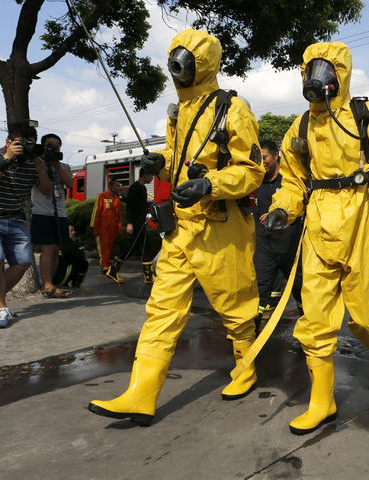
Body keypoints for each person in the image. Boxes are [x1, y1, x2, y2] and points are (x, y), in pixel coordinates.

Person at [88, 29, 265, 426]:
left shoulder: (233, 109)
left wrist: (211, 184)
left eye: (189, 60)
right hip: (181, 228)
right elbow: (178, 157)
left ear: (205, 63)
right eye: (176, 59)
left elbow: (251, 170)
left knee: (235, 305)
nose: (179, 68)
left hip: (221, 227)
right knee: (163, 309)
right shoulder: (179, 112)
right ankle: (141, 394)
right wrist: (162, 164)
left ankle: (246, 367)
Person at [265, 41, 369, 435]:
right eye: (312, 69)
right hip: (318, 223)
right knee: (314, 316)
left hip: (363, 218)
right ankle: (322, 400)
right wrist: (283, 209)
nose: (319, 77)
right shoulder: (300, 127)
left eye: (327, 69)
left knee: (366, 315)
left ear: (341, 75)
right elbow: (293, 180)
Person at [0, 122, 53, 328]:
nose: (26, 148)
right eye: (23, 143)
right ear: (9, 142)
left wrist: (41, 169)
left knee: (23, 262)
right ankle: (1, 308)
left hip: (15, 219)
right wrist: (7, 158)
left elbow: (47, 190)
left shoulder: (31, 165)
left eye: (31, 144)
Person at [253, 139, 303, 335]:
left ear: (276, 156)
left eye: (264, 157)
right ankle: (251, 332)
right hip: (264, 245)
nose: (262, 162)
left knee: (300, 288)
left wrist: (278, 214)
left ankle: (309, 329)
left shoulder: (289, 181)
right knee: (259, 287)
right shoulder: (258, 180)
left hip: (289, 243)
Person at [30, 133, 74, 298]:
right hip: (41, 212)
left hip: (60, 213)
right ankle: (47, 285)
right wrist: (42, 166)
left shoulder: (64, 166)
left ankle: (51, 283)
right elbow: (44, 189)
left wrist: (56, 165)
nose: (53, 150)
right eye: (49, 146)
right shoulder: (36, 164)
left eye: (56, 148)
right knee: (48, 249)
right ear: (42, 146)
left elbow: (69, 183)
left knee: (56, 249)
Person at [125, 168, 156, 284]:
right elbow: (130, 206)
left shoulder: (143, 188)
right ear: (145, 175)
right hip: (135, 222)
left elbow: (141, 205)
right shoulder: (135, 187)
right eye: (151, 176)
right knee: (145, 246)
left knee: (135, 247)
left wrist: (149, 208)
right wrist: (129, 223)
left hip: (141, 221)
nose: (152, 178)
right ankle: (148, 276)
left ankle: (114, 268)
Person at [90, 179, 123, 282]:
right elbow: (96, 211)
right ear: (111, 186)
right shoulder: (102, 196)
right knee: (104, 246)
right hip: (102, 227)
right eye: (117, 186)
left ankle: (107, 266)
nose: (119, 188)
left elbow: (118, 215)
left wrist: (119, 227)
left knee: (109, 246)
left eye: (119, 186)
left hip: (112, 228)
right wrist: (93, 226)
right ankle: (105, 267)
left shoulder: (117, 199)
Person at [53, 224, 89, 289]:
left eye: (74, 230)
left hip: (53, 278)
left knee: (76, 259)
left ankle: (70, 284)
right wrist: (93, 253)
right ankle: (76, 284)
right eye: (71, 231)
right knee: (83, 263)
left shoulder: (58, 242)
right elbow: (80, 254)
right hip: (58, 279)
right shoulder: (65, 244)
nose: (74, 232)